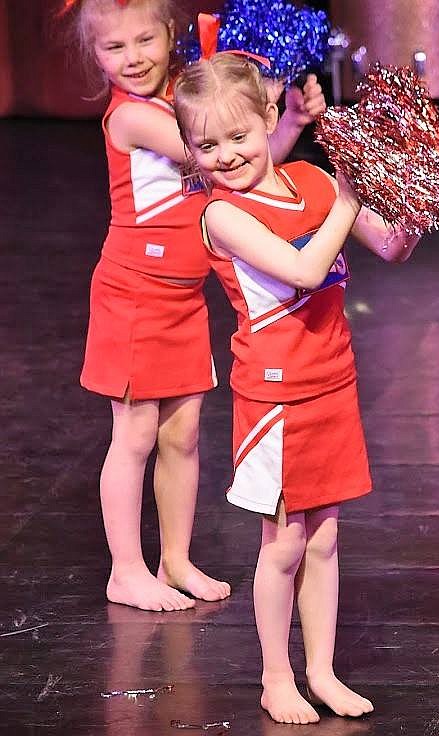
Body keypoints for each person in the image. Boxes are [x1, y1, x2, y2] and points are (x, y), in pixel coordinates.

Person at [172, 52, 420, 723]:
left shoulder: (311, 179)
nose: (224, 155)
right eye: (206, 144)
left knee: (325, 540)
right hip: (274, 400)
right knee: (282, 545)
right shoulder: (221, 215)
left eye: (238, 136)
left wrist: (412, 180)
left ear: (267, 119)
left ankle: (321, 671)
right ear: (190, 151)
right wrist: (348, 196)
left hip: (333, 385)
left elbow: (392, 246)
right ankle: (275, 678)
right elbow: (307, 271)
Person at [66, 0, 327, 612]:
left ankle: (175, 559)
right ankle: (125, 570)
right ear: (95, 56)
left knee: (181, 435)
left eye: (144, 41)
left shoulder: (185, 96)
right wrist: (252, 101)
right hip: (133, 295)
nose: (132, 59)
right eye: (113, 48)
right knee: (133, 434)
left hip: (183, 299)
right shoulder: (132, 117)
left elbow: (244, 164)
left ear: (170, 33)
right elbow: (207, 147)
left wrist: (283, 120)